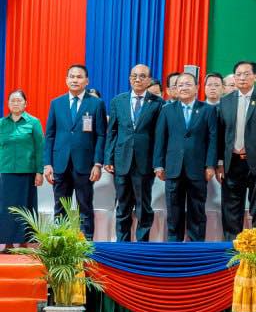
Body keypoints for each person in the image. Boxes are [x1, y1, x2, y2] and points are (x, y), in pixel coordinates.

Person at [43, 64, 107, 238]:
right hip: (60, 163)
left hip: (85, 165)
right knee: (60, 207)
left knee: (84, 206)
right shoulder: (56, 103)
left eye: (79, 77)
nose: (75, 80)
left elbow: (101, 135)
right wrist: (47, 164)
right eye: (71, 76)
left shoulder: (96, 104)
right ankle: (59, 241)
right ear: (66, 80)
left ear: (87, 81)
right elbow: (50, 135)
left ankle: (86, 243)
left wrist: (98, 163)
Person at [216, 60, 256, 238]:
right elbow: (220, 134)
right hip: (232, 162)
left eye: (246, 74)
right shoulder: (225, 101)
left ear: (255, 77)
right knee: (231, 208)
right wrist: (219, 162)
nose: (242, 78)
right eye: (238, 74)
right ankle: (232, 245)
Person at [153, 73, 217, 242]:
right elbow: (160, 139)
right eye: (180, 85)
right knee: (173, 209)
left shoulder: (208, 110)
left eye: (188, 84)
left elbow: (213, 139)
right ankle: (174, 244)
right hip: (173, 168)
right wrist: (158, 165)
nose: (183, 88)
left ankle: (196, 245)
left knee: (197, 209)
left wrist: (210, 165)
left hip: (198, 168)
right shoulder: (167, 110)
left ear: (197, 88)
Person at [104, 64, 163, 242]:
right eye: (134, 76)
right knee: (122, 205)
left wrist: (158, 162)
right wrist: (108, 158)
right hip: (122, 160)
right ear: (129, 78)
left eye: (142, 76)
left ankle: (142, 244)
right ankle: (122, 244)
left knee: (143, 206)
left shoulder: (158, 103)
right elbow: (112, 132)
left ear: (149, 80)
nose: (138, 79)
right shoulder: (118, 101)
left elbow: (159, 136)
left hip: (145, 162)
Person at [0, 91, 43, 248]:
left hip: (27, 172)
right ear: (8, 104)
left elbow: (40, 148)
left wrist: (39, 171)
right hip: (6, 172)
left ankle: (25, 242)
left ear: (25, 104)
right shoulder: (2, 123)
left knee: (26, 207)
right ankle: (8, 243)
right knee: (6, 208)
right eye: (12, 100)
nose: (16, 103)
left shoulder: (33, 122)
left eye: (19, 100)